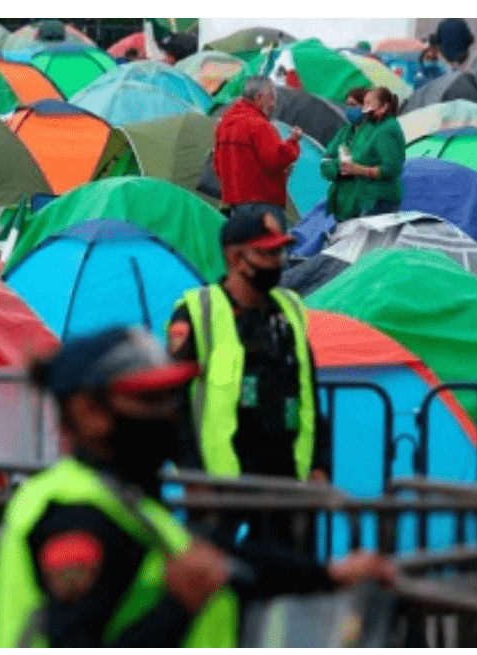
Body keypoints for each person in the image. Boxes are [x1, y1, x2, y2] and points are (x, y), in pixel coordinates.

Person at [0, 325, 396, 647]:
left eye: (172, 398)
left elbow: (225, 560)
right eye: (149, 401)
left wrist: (328, 575)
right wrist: (179, 605)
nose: (169, 415)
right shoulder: (76, 513)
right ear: (89, 413)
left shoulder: (124, 499)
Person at [167, 206, 331, 548]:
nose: (278, 261)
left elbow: (309, 394)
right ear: (235, 258)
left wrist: (320, 465)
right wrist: (193, 478)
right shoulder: (199, 312)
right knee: (228, 586)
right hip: (224, 484)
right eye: (267, 252)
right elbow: (173, 404)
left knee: (288, 583)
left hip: (287, 478)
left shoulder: (290, 309)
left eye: (281, 251)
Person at [213, 76, 303, 223]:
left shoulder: (224, 124)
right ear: (259, 97)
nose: (274, 104)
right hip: (263, 203)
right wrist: (293, 142)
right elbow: (275, 159)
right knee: (270, 245)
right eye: (272, 98)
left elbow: (217, 165)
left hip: (234, 203)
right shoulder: (259, 125)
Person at [320, 86, 406, 221]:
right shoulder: (347, 131)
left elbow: (392, 167)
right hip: (355, 200)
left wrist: (356, 169)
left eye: (367, 105)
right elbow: (327, 161)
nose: (365, 109)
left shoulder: (384, 130)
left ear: (383, 107)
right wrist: (342, 167)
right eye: (364, 104)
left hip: (377, 199)